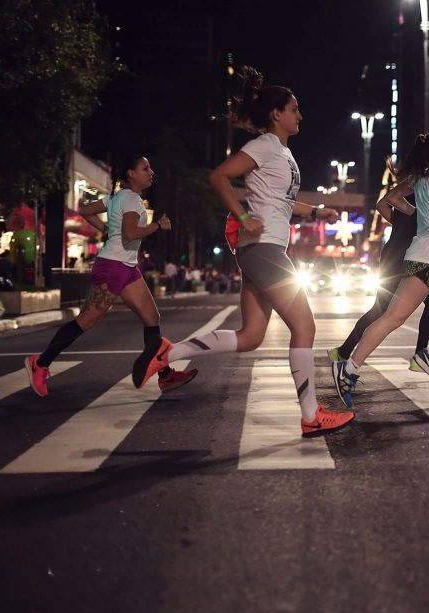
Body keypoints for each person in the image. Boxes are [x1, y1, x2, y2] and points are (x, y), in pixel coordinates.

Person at [134, 66, 354, 438]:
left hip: (262, 248)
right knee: (305, 326)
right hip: (263, 248)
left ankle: (166, 353)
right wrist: (243, 215)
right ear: (276, 114)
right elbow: (218, 176)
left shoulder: (282, 153)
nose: (300, 115)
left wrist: (315, 211)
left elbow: (283, 201)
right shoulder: (265, 145)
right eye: (294, 108)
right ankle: (311, 415)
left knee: (251, 336)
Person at [330, 129, 429, 408]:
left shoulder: (422, 177)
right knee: (392, 319)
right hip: (427, 259)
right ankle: (349, 369)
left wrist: (417, 216)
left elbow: (391, 199)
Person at [24, 155, 197, 397]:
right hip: (113, 267)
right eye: (145, 168)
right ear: (131, 174)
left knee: (151, 317)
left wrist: (106, 229)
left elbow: (85, 211)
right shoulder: (132, 200)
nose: (151, 171)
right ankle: (40, 363)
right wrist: (158, 225)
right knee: (87, 320)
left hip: (125, 266)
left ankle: (165, 376)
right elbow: (131, 233)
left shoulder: (117, 198)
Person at [327, 160, 429, 372]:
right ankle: (418, 356)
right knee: (388, 309)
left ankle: (344, 351)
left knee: (395, 307)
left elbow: (381, 204)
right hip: (405, 256)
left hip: (393, 254)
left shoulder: (409, 192)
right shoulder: (424, 192)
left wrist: (399, 223)